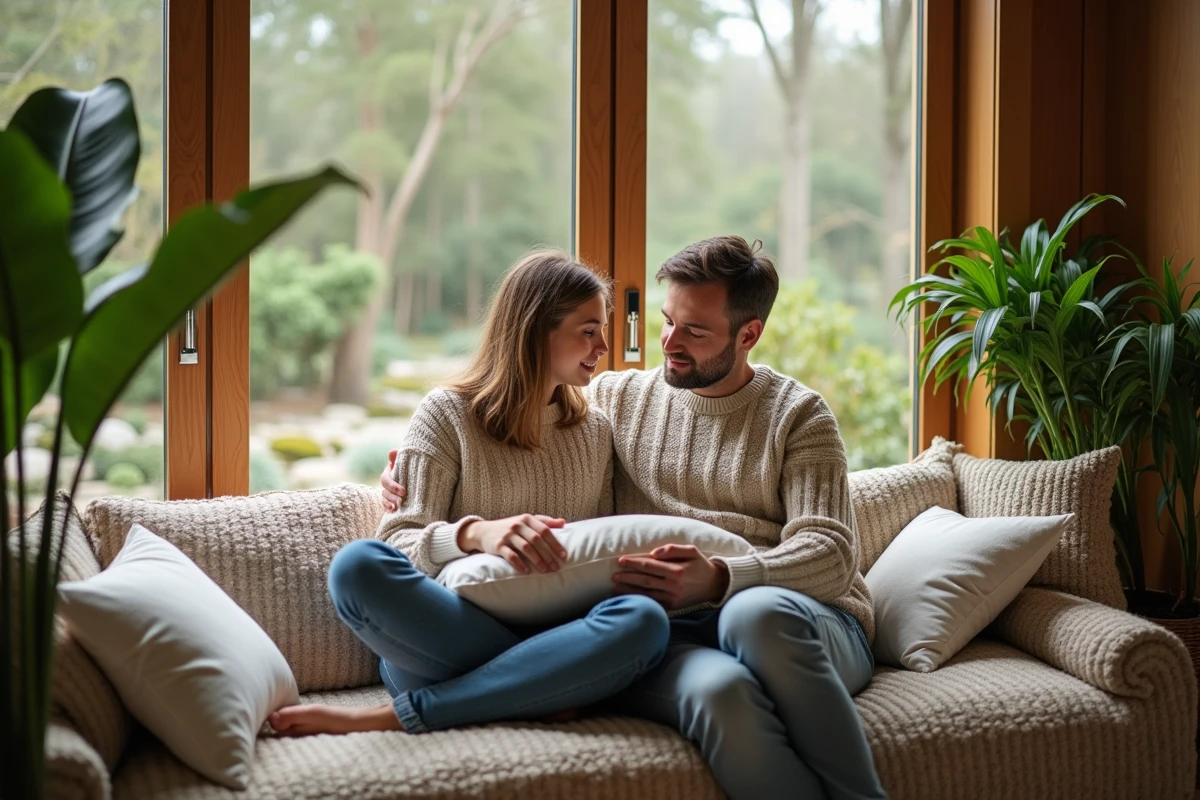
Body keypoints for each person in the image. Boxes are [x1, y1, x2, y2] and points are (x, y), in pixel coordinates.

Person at [381, 236, 886, 800]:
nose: (669, 342)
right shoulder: (616, 403)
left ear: (749, 335)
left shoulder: (798, 415)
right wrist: (414, 476)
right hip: (675, 633)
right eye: (667, 321)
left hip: (804, 620)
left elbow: (833, 554)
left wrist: (722, 577)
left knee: (754, 614)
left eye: (695, 331)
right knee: (720, 693)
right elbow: (524, 418)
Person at [270, 249, 670, 737]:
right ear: (534, 329)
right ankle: (541, 689)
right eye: (588, 330)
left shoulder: (597, 431)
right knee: (357, 567)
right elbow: (398, 546)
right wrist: (474, 535)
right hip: (447, 638)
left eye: (603, 329)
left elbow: (610, 556)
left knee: (644, 619)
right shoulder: (445, 414)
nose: (604, 345)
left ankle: (396, 715)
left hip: (555, 638)